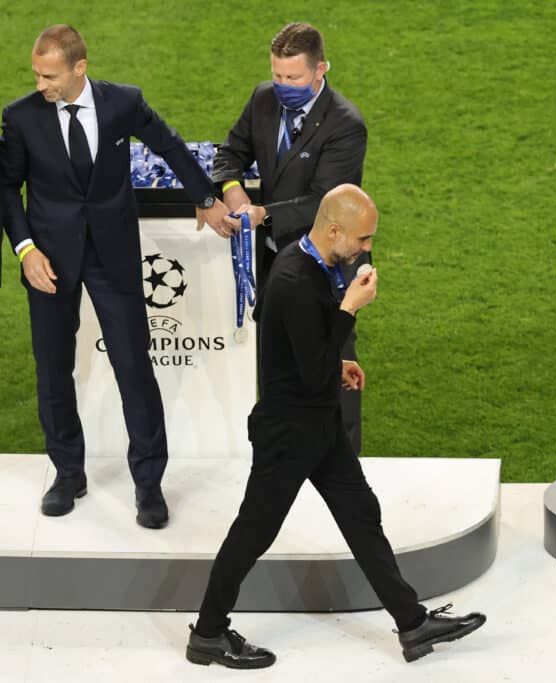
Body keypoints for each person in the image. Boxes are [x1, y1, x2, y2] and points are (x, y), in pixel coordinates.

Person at [185, 184, 485, 668]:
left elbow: (295, 342)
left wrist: (337, 365)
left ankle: (412, 624)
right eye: (363, 239)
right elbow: (306, 366)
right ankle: (208, 634)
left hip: (318, 424)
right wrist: (349, 310)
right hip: (288, 434)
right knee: (253, 533)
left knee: (361, 515)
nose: (367, 249)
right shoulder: (294, 279)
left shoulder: (309, 263)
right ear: (334, 230)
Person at [0, 25, 233, 527]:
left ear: (79, 67)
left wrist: (207, 198)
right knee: (52, 370)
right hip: (50, 262)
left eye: (50, 75)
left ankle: (148, 485)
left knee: (133, 367)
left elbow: (169, 145)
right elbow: (6, 187)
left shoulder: (122, 103)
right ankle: (67, 474)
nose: (41, 84)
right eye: (36, 74)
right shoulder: (20, 117)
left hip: (113, 257)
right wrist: (25, 251)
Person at [213, 21, 370, 454]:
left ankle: (342, 460)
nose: (283, 86)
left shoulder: (345, 125)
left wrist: (263, 213)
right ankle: (284, 452)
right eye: (278, 76)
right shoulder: (263, 100)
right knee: (276, 363)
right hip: (273, 262)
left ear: (321, 69)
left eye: (294, 78)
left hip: (324, 264)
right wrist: (233, 191)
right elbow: (229, 154)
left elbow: (323, 203)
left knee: (332, 362)